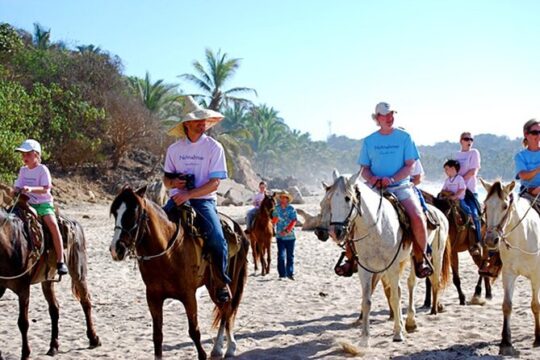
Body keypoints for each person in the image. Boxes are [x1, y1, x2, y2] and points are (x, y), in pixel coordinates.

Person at [162, 96, 231, 303]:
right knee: (150, 230)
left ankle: (221, 282)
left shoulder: (214, 148)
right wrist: (175, 183)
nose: (203, 124)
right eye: (197, 121)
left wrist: (189, 194)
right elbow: (166, 179)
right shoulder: (174, 150)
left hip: (204, 200)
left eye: (204, 121)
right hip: (176, 199)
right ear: (186, 124)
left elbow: (215, 183)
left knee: (217, 239)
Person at [357, 101, 433, 278]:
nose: (390, 118)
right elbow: (364, 169)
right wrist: (373, 178)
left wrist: (391, 179)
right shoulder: (369, 141)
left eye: (392, 114)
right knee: (352, 214)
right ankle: (350, 257)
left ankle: (421, 259)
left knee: (418, 216)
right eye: (385, 115)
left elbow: (409, 165)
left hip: (400, 186)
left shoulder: (405, 137)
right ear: (377, 118)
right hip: (374, 188)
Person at [13, 139, 68, 275]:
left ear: (36, 155)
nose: (24, 157)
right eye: (23, 155)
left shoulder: (42, 170)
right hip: (26, 204)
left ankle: (60, 260)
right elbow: (18, 186)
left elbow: (45, 189)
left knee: (53, 226)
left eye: (28, 154)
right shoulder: (23, 170)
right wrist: (15, 189)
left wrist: (30, 189)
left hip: (43, 204)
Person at [439, 159, 482, 255]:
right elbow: (443, 189)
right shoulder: (447, 180)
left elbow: (462, 188)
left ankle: (470, 221)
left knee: (465, 208)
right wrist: (445, 194)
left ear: (454, 169)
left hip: (459, 199)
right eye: (445, 169)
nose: (445, 171)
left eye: (447, 169)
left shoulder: (459, 179)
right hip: (449, 199)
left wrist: (455, 196)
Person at [454, 132, 482, 254]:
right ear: (461, 141)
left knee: (475, 215)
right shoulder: (457, 154)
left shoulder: (474, 153)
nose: (469, 141)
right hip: (457, 190)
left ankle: (477, 242)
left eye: (471, 139)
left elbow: (473, 171)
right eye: (466, 139)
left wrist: (460, 181)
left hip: (470, 191)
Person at [272, 191, 297, 280]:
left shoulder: (291, 209)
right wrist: (273, 224)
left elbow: (294, 220)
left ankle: (290, 273)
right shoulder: (276, 209)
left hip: (290, 236)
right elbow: (273, 220)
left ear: (287, 199)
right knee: (281, 255)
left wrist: (286, 230)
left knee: (290, 256)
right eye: (281, 197)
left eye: (284, 197)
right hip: (280, 236)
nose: (283, 199)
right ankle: (282, 274)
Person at [515, 119, 540, 195]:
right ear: (526, 134)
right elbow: (524, 176)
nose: (538, 135)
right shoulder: (520, 156)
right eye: (535, 133)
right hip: (528, 192)